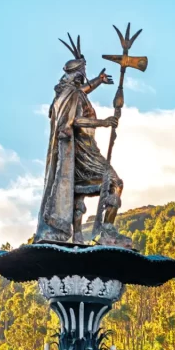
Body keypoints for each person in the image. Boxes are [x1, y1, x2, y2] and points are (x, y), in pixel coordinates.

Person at [35, 34, 131, 247]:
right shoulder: (70, 94)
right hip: (83, 152)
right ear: (76, 74)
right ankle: (107, 231)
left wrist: (99, 80)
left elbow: (83, 92)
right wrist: (103, 122)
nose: (83, 78)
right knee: (114, 183)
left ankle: (78, 235)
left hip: (80, 151)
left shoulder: (70, 93)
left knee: (78, 191)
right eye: (82, 73)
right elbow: (74, 120)